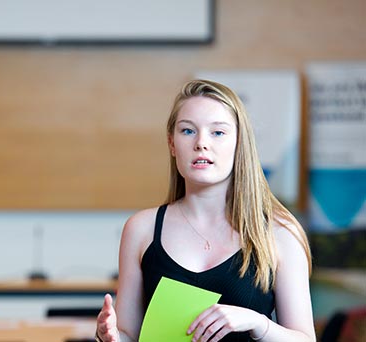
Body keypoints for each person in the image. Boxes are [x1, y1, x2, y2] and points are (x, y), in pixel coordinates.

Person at [96, 79, 316, 341]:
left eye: (218, 132)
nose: (201, 143)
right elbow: (129, 335)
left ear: (239, 143)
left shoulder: (280, 232)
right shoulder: (141, 229)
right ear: (171, 144)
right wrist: (109, 337)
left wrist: (258, 324)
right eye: (188, 131)